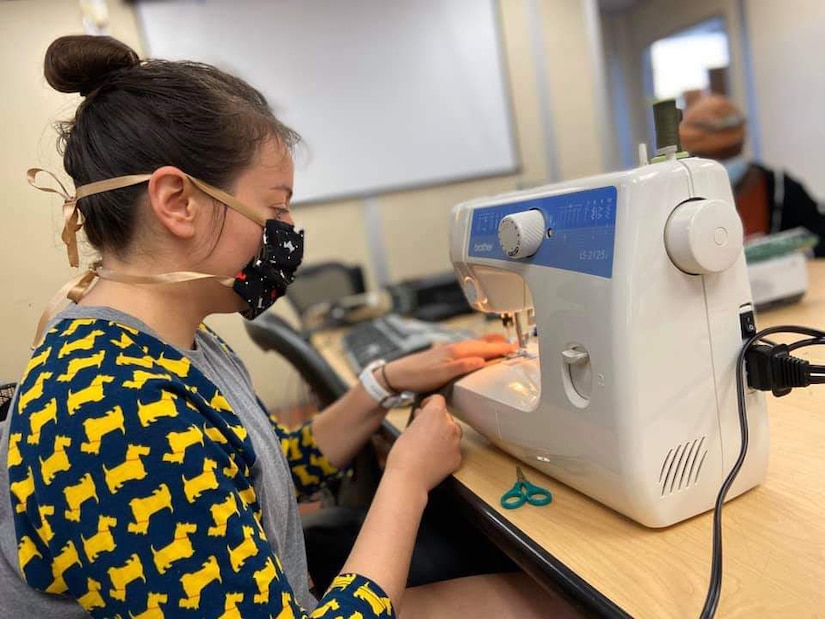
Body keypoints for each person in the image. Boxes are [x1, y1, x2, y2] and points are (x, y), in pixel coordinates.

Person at [0, 35, 565, 618]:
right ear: (178, 201)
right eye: (276, 208)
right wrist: (406, 479)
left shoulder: (166, 342)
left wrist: (383, 383)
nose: (287, 230)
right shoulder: (111, 407)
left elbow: (258, 475)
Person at [678, 93, 825, 255]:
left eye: (729, 153)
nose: (722, 163)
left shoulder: (780, 189)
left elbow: (820, 236)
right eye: (711, 157)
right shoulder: (680, 200)